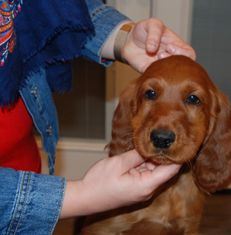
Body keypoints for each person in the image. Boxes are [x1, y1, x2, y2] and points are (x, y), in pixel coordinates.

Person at [0, 0, 195, 234]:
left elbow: (53, 6)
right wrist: (81, 196)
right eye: (151, 94)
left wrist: (123, 37)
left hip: (24, 168)